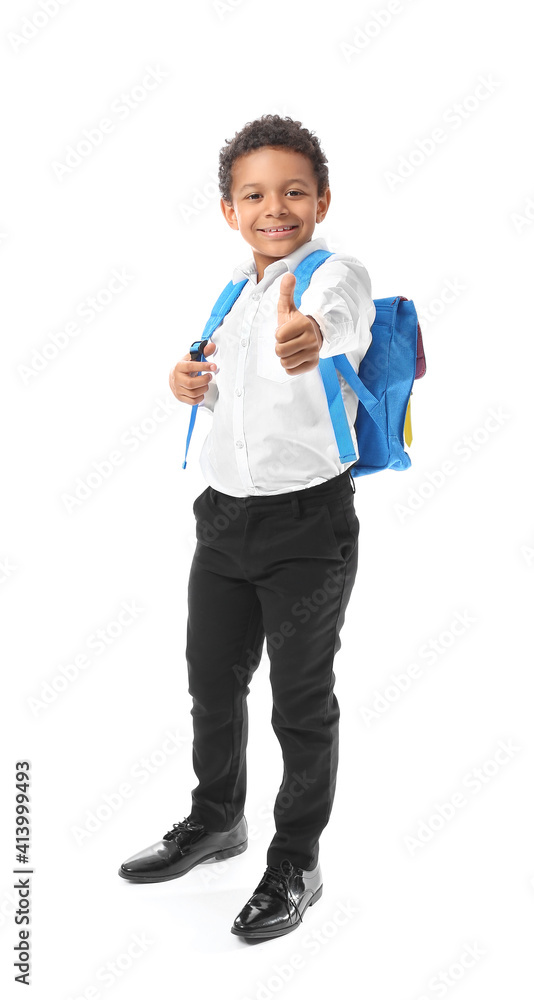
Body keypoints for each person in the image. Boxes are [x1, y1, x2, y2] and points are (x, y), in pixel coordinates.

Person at [118, 113, 376, 941]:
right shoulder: (235, 287)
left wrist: (313, 336)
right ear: (229, 209)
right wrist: (186, 379)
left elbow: (339, 322)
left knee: (301, 702)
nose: (276, 207)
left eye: (295, 191)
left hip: (307, 527)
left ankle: (296, 860)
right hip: (222, 523)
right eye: (255, 194)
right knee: (211, 684)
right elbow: (223, 378)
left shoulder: (334, 277)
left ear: (322, 199)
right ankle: (218, 820)